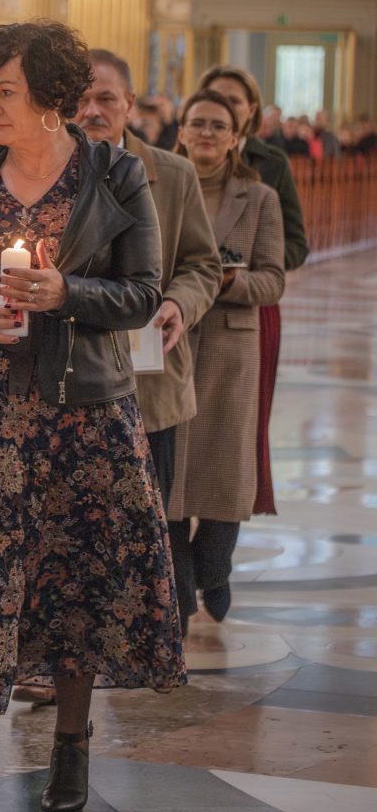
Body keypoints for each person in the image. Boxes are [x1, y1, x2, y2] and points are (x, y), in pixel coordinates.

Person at [0, 20, 184, 812]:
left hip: (82, 415)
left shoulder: (116, 174)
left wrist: (67, 294)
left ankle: (71, 743)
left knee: (74, 586)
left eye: (4, 92)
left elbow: (141, 291)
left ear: (54, 100)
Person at [77, 50, 221, 638]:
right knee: (72, 516)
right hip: (71, 373)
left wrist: (177, 303)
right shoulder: (41, 170)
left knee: (146, 512)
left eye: (106, 99)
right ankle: (73, 641)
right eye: (81, 100)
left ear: (130, 105)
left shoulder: (173, 174)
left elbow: (202, 265)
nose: (92, 111)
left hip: (147, 373)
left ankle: (145, 631)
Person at [168, 89, 285, 627]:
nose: (207, 133)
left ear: (237, 136)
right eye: (198, 124)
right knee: (167, 472)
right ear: (183, 129)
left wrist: (231, 280)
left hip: (231, 349)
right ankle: (180, 581)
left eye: (219, 125)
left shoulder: (258, 197)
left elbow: (273, 279)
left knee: (222, 473)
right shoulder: (163, 187)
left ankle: (213, 567)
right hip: (171, 341)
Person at [196, 64, 304, 520]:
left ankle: (226, 520)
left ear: (250, 111)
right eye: (213, 100)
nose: (221, 110)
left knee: (238, 431)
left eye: (233, 102)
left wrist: (248, 264)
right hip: (184, 311)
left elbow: (295, 244)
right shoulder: (177, 159)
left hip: (247, 310)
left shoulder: (269, 163)